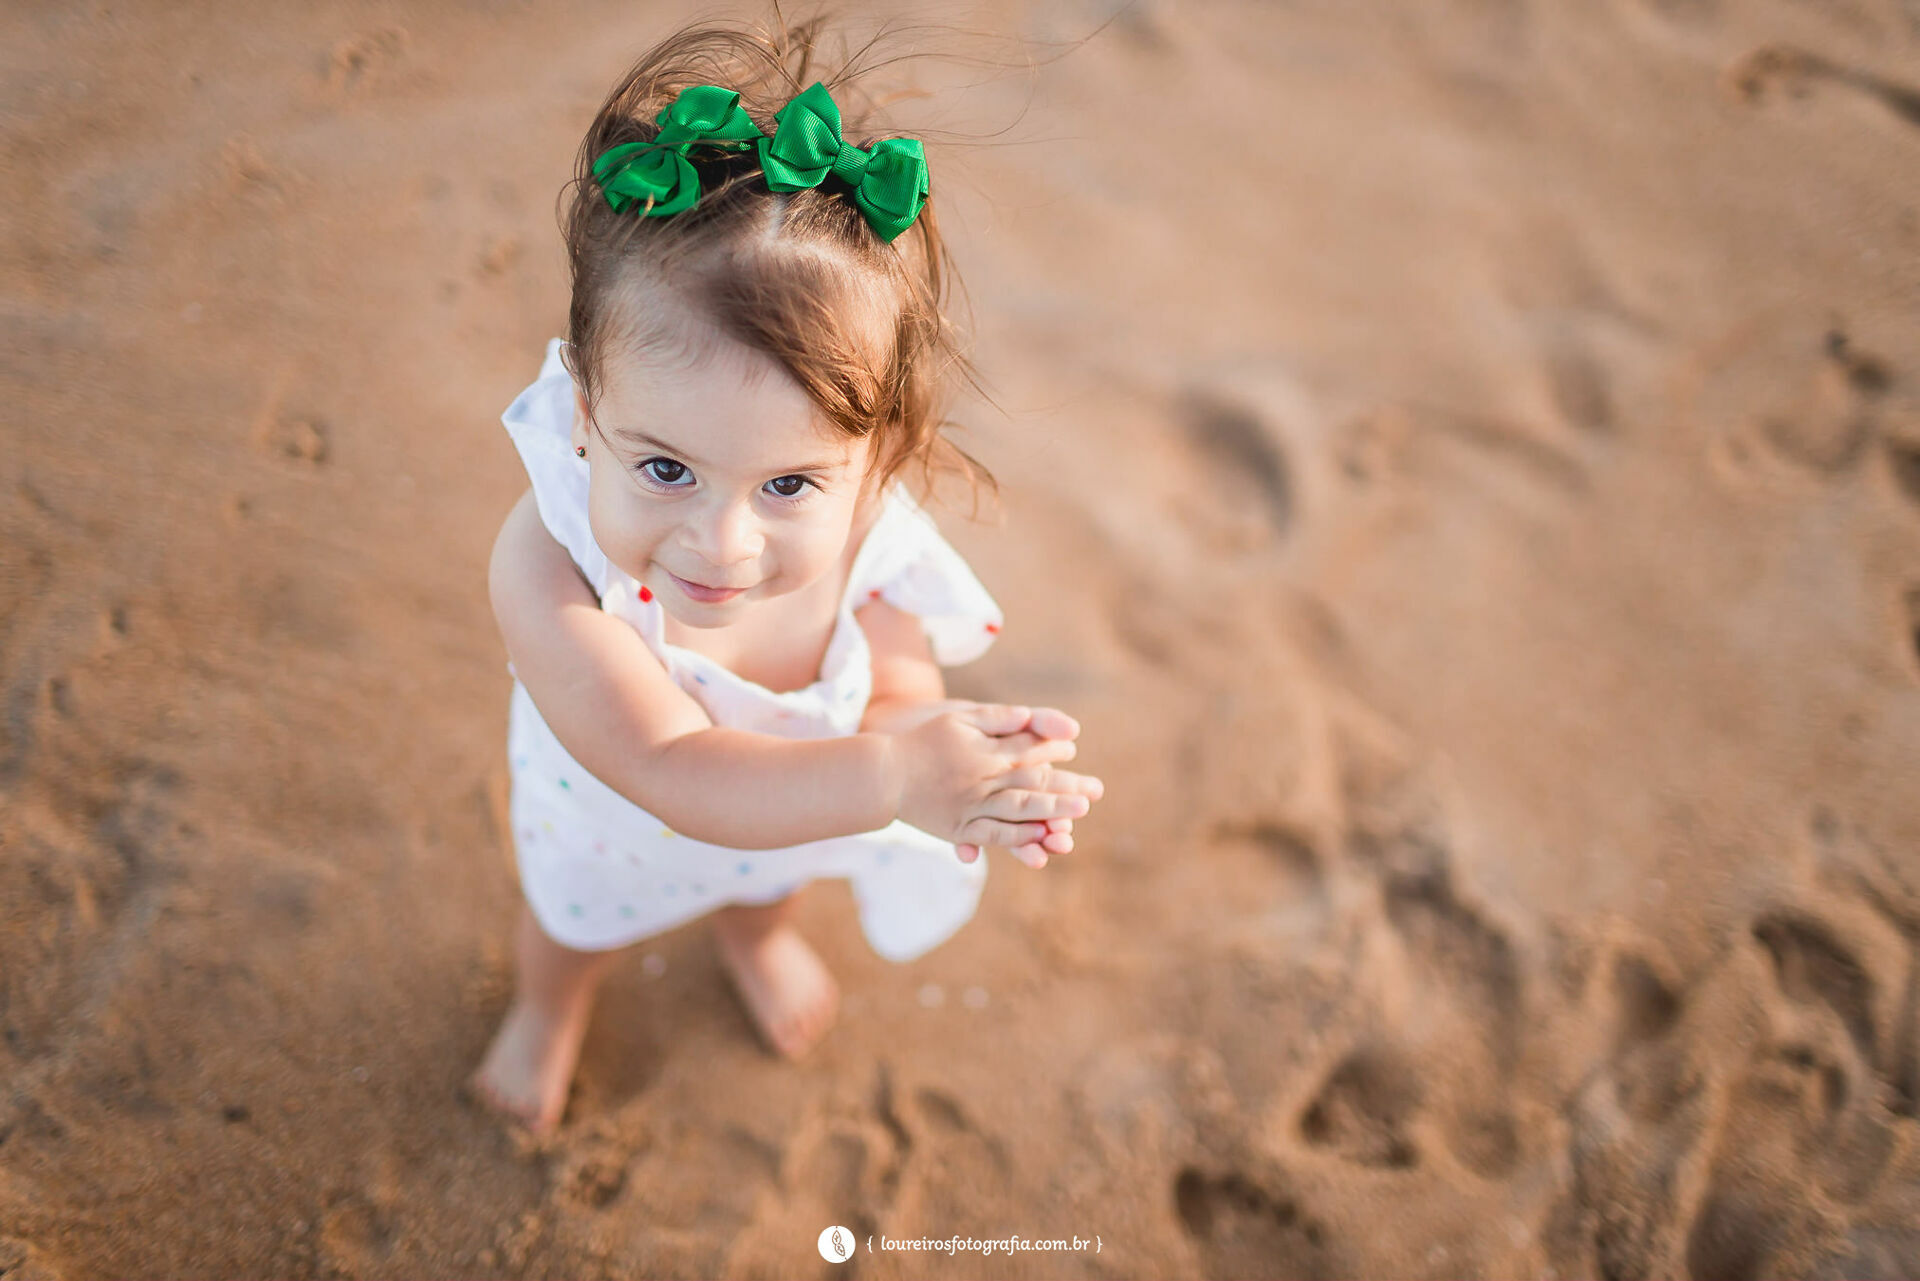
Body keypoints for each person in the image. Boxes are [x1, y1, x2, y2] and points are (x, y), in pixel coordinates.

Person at [469, 20, 1105, 1134]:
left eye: (789, 487)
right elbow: (673, 767)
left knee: (771, 886)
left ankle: (754, 941)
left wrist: (954, 760)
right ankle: (546, 1009)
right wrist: (896, 778)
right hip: (610, 835)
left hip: (796, 818)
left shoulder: (870, 539)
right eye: (665, 467)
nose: (723, 544)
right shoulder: (548, 565)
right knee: (571, 931)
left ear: (878, 462)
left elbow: (893, 694)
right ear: (584, 414)